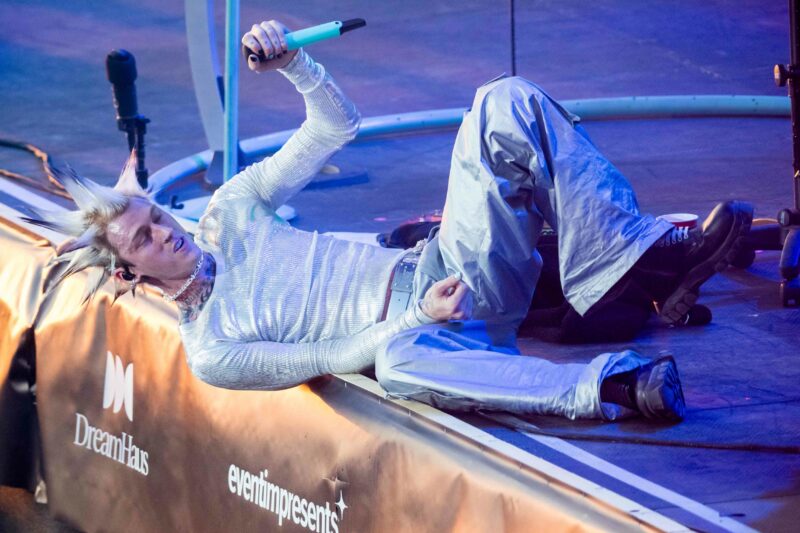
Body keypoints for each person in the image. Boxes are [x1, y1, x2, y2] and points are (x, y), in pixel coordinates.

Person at [26, 19, 753, 423]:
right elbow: (333, 355)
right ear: (131, 272)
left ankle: (639, 257)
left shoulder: (231, 210)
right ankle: (614, 387)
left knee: (500, 100)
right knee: (397, 367)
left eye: (156, 214)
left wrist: (294, 63)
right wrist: (414, 318)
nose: (165, 230)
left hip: (448, 268)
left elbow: (335, 126)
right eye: (146, 238)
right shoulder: (213, 349)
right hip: (416, 332)